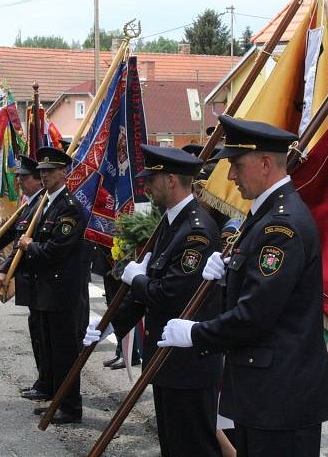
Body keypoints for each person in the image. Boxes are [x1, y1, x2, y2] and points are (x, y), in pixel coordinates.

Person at [158, 115, 328, 457]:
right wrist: (230, 276)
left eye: (237, 165)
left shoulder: (281, 227)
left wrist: (196, 333)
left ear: (266, 163)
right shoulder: (265, 216)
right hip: (264, 391)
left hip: (280, 395)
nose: (232, 175)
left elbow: (254, 315)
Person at [84, 144, 223, 457]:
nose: (147, 185)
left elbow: (172, 295)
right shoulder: (171, 224)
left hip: (188, 363)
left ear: (172, 180)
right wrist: (111, 325)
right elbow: (148, 296)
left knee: (194, 447)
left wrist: (138, 279)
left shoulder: (195, 231)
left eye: (153, 178)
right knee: (173, 446)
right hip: (167, 361)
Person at [14, 147, 87, 425]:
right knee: (51, 351)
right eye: (41, 172)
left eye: (49, 171)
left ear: (63, 173)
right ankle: (56, 400)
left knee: (65, 353)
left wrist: (31, 247)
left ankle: (70, 407)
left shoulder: (68, 207)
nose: (43, 176)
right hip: (45, 290)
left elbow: (57, 250)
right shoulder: (46, 202)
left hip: (61, 293)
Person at [0, 155, 49, 398]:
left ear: (38, 180)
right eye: (18, 178)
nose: (19, 183)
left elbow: (22, 245)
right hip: (33, 283)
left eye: (23, 178)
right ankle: (43, 382)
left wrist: (5, 268)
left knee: (46, 336)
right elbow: (7, 234)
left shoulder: (42, 205)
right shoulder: (30, 203)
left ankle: (48, 385)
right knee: (37, 332)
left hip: (43, 281)